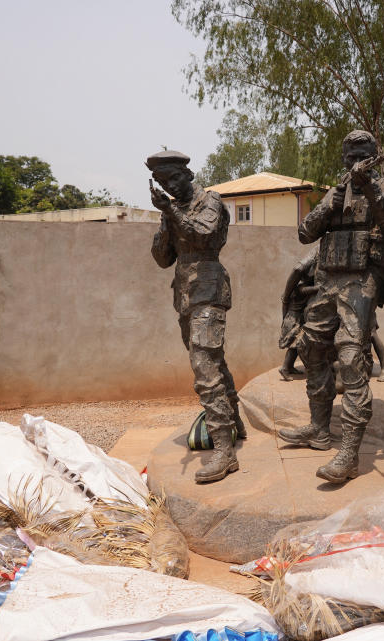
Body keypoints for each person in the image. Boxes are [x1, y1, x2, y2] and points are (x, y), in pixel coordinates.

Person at [277, 130, 384, 483]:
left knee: (349, 357)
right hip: (328, 281)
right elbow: (305, 233)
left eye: (362, 154)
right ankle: (318, 430)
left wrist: (371, 189)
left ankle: (349, 453)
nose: (355, 162)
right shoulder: (336, 190)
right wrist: (331, 201)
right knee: (311, 349)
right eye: (349, 156)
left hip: (362, 282)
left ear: (375, 154)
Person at [147, 150, 245, 484]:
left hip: (210, 289)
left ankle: (224, 452)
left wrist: (171, 211)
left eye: (174, 178)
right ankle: (236, 424)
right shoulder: (171, 209)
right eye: (163, 182)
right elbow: (163, 258)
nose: (170, 186)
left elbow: (203, 236)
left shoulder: (211, 201)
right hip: (186, 295)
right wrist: (164, 222)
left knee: (204, 367)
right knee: (211, 361)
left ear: (188, 174)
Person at [279, 250, 320, 381]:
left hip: (291, 319)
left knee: (295, 347)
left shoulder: (295, 289)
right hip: (294, 320)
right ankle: (285, 368)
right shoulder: (299, 289)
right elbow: (310, 290)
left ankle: (289, 366)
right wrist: (319, 287)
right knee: (295, 346)